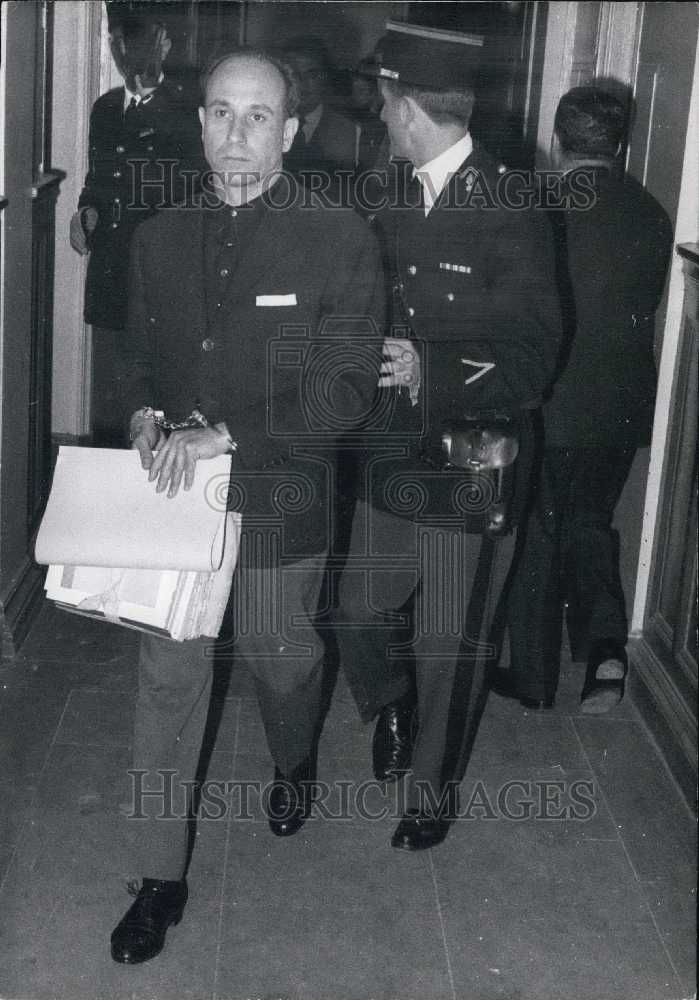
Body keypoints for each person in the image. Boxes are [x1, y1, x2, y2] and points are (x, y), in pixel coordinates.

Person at [110, 47, 383, 965]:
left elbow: (344, 389)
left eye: (257, 115)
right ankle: (158, 877)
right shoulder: (154, 235)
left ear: (291, 130)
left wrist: (226, 434)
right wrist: (145, 411)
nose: (236, 133)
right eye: (221, 112)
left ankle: (295, 759)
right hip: (177, 502)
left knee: (282, 661)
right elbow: (140, 358)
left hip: (282, 497)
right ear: (199, 124)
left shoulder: (337, 237)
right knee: (167, 679)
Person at [334, 21, 561, 851]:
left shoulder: (510, 204)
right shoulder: (384, 188)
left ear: (406, 109)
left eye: (385, 102)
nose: (381, 117)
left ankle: (428, 794)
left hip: (472, 452)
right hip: (394, 444)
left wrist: (428, 367)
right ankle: (388, 702)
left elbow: (535, 356)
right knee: (358, 610)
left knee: (445, 641)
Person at [501, 87, 673, 712]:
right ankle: (604, 655)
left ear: (557, 136)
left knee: (537, 532)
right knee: (591, 525)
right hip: (622, 402)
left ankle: (534, 677)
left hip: (548, 399)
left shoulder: (535, 205)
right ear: (620, 141)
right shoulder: (653, 214)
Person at [70, 7, 205, 445]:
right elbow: (98, 180)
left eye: (141, 38)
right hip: (110, 271)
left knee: (157, 396)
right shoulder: (105, 109)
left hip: (161, 277)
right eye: (119, 40)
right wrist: (85, 211)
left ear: (165, 43)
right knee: (110, 398)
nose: (127, 50)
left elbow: (195, 198)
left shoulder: (188, 113)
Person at [281, 35, 357, 177]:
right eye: (295, 75)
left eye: (312, 75)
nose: (302, 84)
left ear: (325, 77)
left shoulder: (350, 129)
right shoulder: (273, 123)